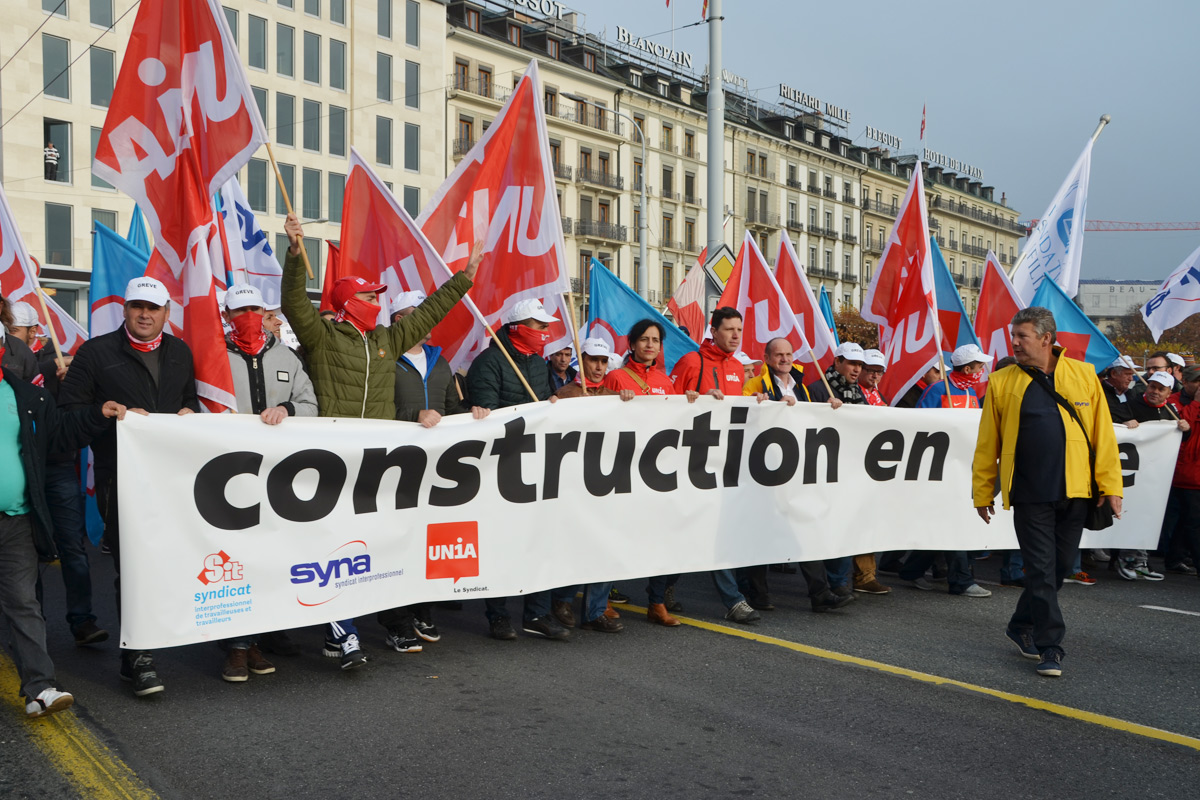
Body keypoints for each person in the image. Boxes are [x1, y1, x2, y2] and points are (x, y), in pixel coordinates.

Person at [280, 213, 481, 667]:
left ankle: (351, 629)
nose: (378, 301)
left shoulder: (386, 340)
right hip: (332, 458)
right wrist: (296, 254)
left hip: (378, 462)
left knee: (367, 546)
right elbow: (294, 304)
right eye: (371, 295)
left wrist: (463, 279)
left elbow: (431, 311)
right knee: (335, 548)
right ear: (351, 302)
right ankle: (344, 635)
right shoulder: (322, 336)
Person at [59, 277, 200, 697]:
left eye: (153, 308)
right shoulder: (96, 351)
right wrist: (102, 413)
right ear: (125, 309)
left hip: (171, 480)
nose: (144, 314)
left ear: (166, 313)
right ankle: (137, 656)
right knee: (134, 568)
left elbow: (189, 398)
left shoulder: (180, 352)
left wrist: (189, 410)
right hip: (119, 479)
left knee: (169, 565)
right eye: (137, 306)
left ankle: (150, 642)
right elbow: (67, 419)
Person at [973, 307, 1123, 678]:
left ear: (1046, 339)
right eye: (1014, 336)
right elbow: (986, 441)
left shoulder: (1084, 375)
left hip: (1077, 491)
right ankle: (1050, 646)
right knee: (1040, 571)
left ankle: (1019, 624)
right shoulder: (1002, 380)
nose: (1015, 343)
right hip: (1029, 492)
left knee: (1055, 572)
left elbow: (1103, 435)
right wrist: (982, 491)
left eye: (1022, 336)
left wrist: (1111, 485)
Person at [2, 338, 128, 717]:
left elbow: (58, 433)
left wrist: (97, 414)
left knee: (24, 603)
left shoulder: (24, 394)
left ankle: (40, 688)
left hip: (16, 521)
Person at [376, 289, 490, 651]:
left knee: (429, 542)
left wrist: (472, 413)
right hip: (394, 467)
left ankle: (421, 608)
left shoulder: (439, 361)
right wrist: (414, 417)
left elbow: (452, 407)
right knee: (394, 543)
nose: (429, 321)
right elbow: (375, 411)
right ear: (399, 320)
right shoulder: (384, 359)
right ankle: (395, 620)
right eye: (418, 313)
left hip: (435, 470)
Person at [216, 284, 319, 681]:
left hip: (278, 477)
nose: (248, 315)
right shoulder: (214, 356)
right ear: (226, 316)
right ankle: (238, 647)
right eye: (239, 310)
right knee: (236, 562)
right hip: (228, 475)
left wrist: (287, 409)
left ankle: (259, 638)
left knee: (271, 559)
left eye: (254, 308)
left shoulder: (286, 356)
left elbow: (310, 405)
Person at [466, 298, 569, 641]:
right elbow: (486, 413)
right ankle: (497, 614)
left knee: (538, 539)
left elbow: (540, 406)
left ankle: (536, 614)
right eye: (540, 327)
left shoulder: (539, 365)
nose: (545, 333)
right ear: (519, 328)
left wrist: (548, 407)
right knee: (501, 542)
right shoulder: (488, 362)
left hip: (534, 464)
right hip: (499, 467)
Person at [741, 337, 856, 612]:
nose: (784, 359)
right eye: (778, 355)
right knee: (761, 532)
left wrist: (830, 408)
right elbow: (741, 415)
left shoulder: (802, 387)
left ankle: (821, 594)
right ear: (767, 358)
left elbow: (812, 422)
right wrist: (758, 403)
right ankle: (757, 594)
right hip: (762, 470)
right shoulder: (755, 384)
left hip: (794, 470)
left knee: (805, 529)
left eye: (788, 354)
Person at [668, 308, 763, 625]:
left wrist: (765, 405)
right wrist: (692, 400)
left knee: (713, 532)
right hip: (689, 464)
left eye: (739, 329)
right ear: (713, 330)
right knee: (685, 529)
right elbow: (663, 408)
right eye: (729, 329)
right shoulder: (692, 363)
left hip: (724, 465)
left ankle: (728, 599)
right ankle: (727, 599)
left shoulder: (738, 367)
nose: (736, 335)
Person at [901, 345, 994, 599]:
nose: (982, 370)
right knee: (955, 522)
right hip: (940, 469)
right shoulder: (938, 390)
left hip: (964, 468)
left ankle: (911, 570)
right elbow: (919, 427)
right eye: (979, 366)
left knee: (945, 522)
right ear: (967, 369)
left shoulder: (971, 392)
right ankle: (961, 581)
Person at [554, 337, 629, 634]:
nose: (599, 367)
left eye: (603, 361)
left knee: (604, 545)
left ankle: (596, 609)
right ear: (581, 360)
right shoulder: (565, 394)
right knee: (575, 545)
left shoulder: (614, 396)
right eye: (593, 360)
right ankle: (561, 599)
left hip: (606, 484)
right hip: (573, 485)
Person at [1110, 372, 1189, 582]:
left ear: (1168, 393)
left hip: (1155, 477)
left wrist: (1185, 428)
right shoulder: (1132, 404)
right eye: (1152, 386)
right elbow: (1111, 415)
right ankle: (1126, 559)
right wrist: (1125, 420)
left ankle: (1141, 561)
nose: (1154, 391)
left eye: (1160, 389)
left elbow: (1181, 435)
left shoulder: (1170, 411)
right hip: (1131, 475)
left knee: (1150, 517)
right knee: (1132, 515)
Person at [0, 295, 39, 383]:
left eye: (13, 330)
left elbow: (32, 391)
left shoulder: (21, 350)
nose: (9, 334)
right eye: (7, 329)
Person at [1100, 356, 1137, 424]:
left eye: (1132, 374)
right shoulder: (1100, 393)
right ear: (1113, 374)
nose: (1131, 379)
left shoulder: (1132, 393)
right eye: (1127, 374)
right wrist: (1122, 423)